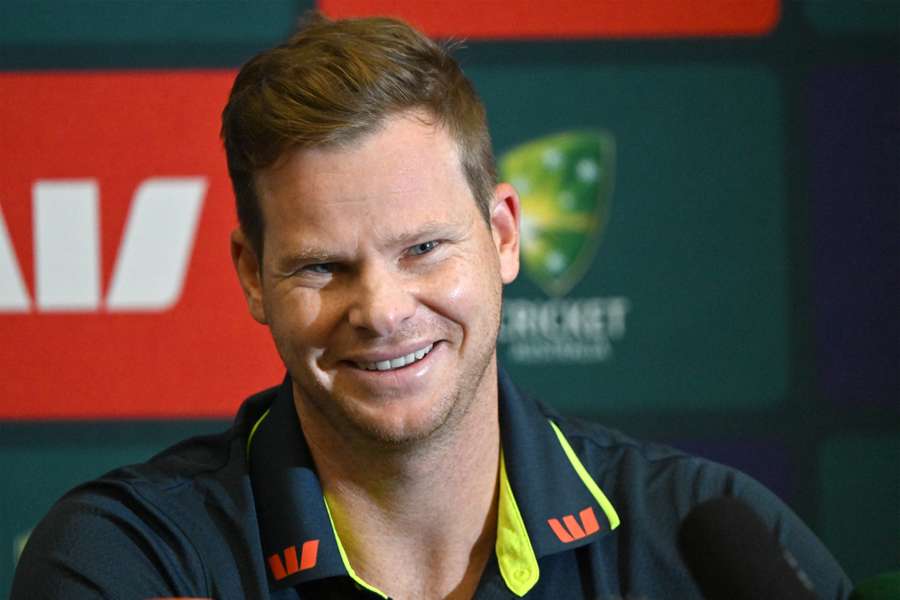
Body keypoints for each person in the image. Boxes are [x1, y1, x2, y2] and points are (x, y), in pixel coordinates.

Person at [12, 12, 851, 600]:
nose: (381, 310)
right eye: (323, 266)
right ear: (252, 277)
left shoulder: (699, 543)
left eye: (422, 249)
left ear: (504, 236)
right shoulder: (134, 560)